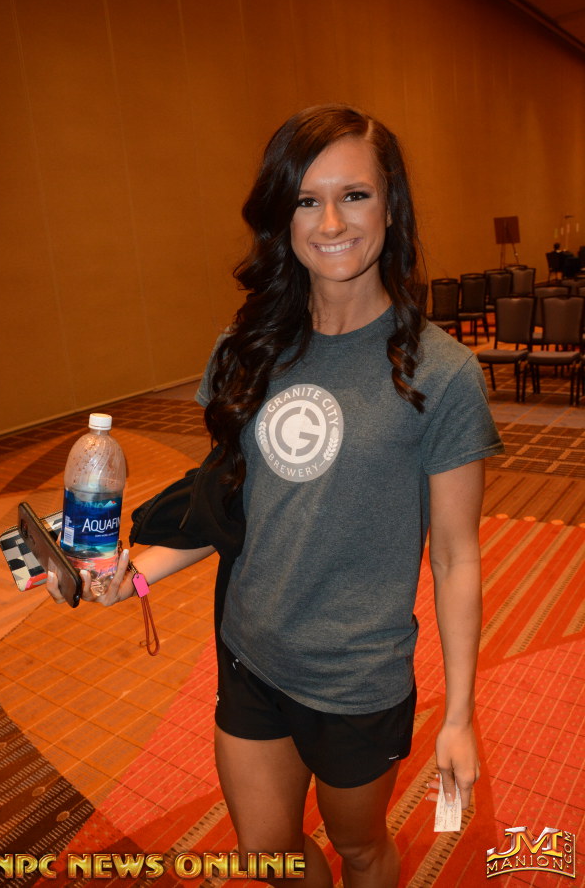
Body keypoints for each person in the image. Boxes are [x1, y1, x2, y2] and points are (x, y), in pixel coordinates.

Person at [47, 104, 503, 887]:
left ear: (391, 208)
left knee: (361, 849)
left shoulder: (443, 373)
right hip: (251, 653)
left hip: (357, 680)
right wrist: (137, 576)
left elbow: (457, 558)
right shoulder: (247, 349)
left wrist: (459, 716)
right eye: (305, 200)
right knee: (268, 855)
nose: (331, 222)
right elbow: (231, 507)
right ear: (280, 218)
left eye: (354, 195)